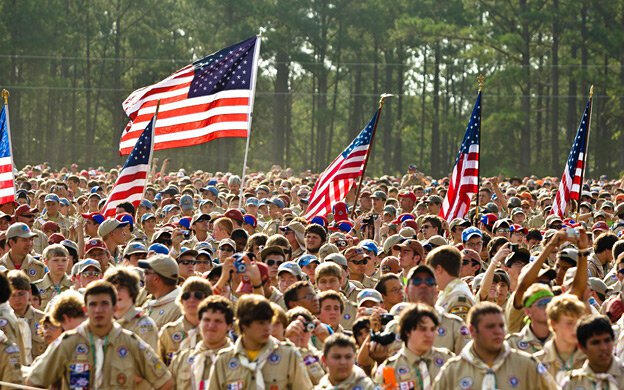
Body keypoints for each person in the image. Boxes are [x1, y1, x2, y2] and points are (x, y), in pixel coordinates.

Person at [26, 280, 173, 389]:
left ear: (114, 307)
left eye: (104, 304)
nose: (98, 310)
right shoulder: (68, 343)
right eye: (93, 304)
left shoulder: (131, 342)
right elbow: (34, 381)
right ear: (85, 309)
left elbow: (165, 382)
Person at [433, 302, 556, 390]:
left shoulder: (527, 365)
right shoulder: (453, 370)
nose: (498, 331)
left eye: (501, 326)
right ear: (472, 330)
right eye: (490, 326)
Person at [207, 294, 312, 389]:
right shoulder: (224, 360)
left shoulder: (288, 355)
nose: (267, 328)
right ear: (244, 324)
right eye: (261, 323)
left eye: (269, 321)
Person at [374, 303, 454, 389]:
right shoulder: (389, 369)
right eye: (422, 329)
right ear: (407, 331)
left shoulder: (448, 360)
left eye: (432, 329)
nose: (429, 335)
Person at [169, 295, 234, 389]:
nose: (211, 325)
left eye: (218, 321)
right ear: (199, 322)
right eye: (206, 320)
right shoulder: (182, 358)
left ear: (229, 326)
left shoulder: (239, 361)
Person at [533, 294, 587, 382]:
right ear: (553, 324)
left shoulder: (590, 359)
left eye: (579, 322)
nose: (576, 328)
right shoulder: (537, 362)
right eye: (569, 323)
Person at [158, 276, 211, 365]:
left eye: (197, 295)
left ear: (208, 299)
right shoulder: (168, 332)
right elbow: (158, 368)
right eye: (186, 296)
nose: (191, 300)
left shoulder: (215, 330)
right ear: (181, 300)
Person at [562, 315, 624, 389]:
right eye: (595, 343)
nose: (603, 348)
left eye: (607, 340)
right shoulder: (572, 384)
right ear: (582, 347)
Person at [104, 266, 159, 349]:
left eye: (121, 288)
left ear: (132, 291)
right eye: (112, 289)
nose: (116, 293)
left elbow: (148, 360)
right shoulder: (104, 322)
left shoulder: (144, 325)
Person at [429, 245, 475, 320]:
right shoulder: (448, 292)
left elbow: (458, 330)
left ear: (438, 269)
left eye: (431, 271)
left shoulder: (458, 299)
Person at [7, 270, 45, 360]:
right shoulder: (3, 321)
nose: (17, 299)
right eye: (12, 295)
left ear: (29, 292)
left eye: (21, 294)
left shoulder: (44, 320)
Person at [505, 284, 553, 354]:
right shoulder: (512, 344)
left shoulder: (563, 339)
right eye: (542, 304)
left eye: (550, 303)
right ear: (528, 311)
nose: (547, 308)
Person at [139, 254, 182, 328]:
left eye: (146, 272)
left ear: (156, 279)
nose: (143, 276)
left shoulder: (180, 307)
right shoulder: (149, 302)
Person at [34, 244, 72, 309]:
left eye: (64, 260)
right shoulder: (36, 287)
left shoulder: (73, 285)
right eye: (56, 260)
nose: (60, 264)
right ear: (45, 262)